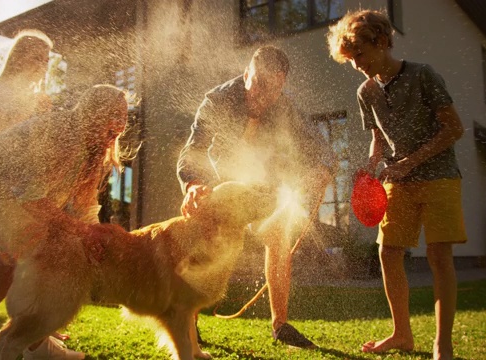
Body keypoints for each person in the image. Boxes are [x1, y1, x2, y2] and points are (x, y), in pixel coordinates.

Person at [0, 84, 130, 360]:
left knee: (36, 261)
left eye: (125, 115)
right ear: (93, 113)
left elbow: (84, 208)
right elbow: (30, 197)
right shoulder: (65, 135)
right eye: (114, 114)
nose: (121, 123)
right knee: (21, 264)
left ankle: (33, 344)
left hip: (3, 195)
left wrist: (94, 235)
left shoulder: (92, 149)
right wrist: (82, 232)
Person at [327, 10, 467, 360]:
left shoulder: (423, 75)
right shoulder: (366, 92)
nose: (356, 63)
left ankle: (442, 343)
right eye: (350, 58)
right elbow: (378, 139)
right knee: (388, 253)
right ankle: (402, 334)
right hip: (397, 179)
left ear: (383, 42)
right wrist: (372, 163)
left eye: (359, 53)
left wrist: (410, 162)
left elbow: (454, 128)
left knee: (438, 256)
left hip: (438, 176)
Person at [177, 45, 334, 348]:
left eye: (272, 90)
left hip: (262, 184)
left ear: (281, 85)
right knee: (206, 238)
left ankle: (281, 326)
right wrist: (194, 184)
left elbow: (320, 146)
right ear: (246, 73)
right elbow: (193, 149)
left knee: (279, 233)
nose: (262, 97)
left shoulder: (286, 106)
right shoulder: (217, 99)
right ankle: (189, 322)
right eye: (257, 85)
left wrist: (323, 167)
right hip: (219, 180)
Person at [0, 29, 54, 341]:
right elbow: (5, 136)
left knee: (19, 255)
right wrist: (35, 111)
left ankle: (30, 327)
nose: (43, 64)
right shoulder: (1, 91)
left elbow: (33, 144)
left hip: (20, 182)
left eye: (47, 59)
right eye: (37, 57)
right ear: (20, 57)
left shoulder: (29, 94)